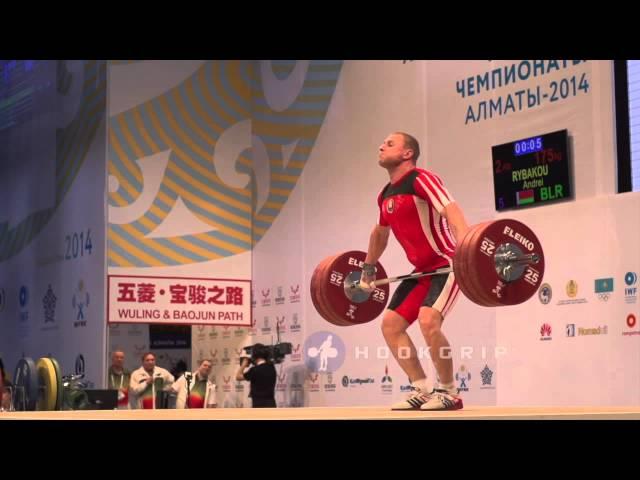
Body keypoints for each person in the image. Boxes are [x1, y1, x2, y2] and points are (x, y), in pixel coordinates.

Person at [360, 132, 469, 411]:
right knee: (391, 325)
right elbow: (380, 234)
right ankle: (421, 388)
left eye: (390, 143)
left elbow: (451, 211)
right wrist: (368, 267)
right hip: (421, 271)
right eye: (382, 142)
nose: (381, 146)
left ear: (408, 153)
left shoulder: (422, 179)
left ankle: (449, 391)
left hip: (447, 263)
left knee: (428, 320)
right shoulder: (385, 195)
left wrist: (467, 248)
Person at [235, 344, 276, 408]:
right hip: (271, 405)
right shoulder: (272, 367)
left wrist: (243, 364)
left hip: (259, 406)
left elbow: (238, 376)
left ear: (254, 356)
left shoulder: (254, 370)